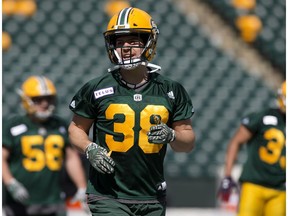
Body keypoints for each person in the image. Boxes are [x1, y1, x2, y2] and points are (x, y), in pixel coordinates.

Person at [68, 7, 196, 216]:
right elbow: (76, 129)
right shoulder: (96, 88)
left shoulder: (171, 90)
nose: (126, 47)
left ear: (149, 42)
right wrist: (89, 148)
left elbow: (187, 143)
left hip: (151, 195)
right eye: (119, 41)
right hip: (108, 195)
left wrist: (172, 135)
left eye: (134, 41)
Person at [2, 75, 87, 216]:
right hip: (21, 200)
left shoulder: (59, 125)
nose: (44, 103)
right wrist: (11, 183)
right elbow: (1, 158)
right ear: (26, 100)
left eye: (48, 98)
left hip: (54, 198)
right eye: (38, 99)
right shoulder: (13, 125)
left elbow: (71, 158)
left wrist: (81, 187)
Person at [218, 81, 286, 216]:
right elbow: (235, 142)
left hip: (280, 188)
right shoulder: (264, 117)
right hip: (254, 184)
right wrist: (227, 175)